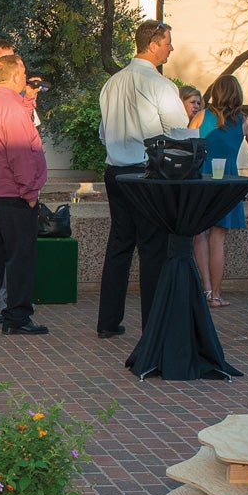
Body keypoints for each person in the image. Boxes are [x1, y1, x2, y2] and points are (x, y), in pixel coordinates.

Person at [96, 21, 190, 339]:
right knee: (153, 247)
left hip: (115, 171)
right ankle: (153, 323)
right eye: (167, 42)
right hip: (147, 172)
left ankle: (108, 320)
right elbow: (179, 132)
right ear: (152, 45)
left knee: (120, 244)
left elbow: (102, 133)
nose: (171, 48)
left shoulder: (112, 84)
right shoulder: (160, 85)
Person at [0, 54, 50, 336]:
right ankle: (16, 317)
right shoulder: (12, 110)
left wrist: (28, 99)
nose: (26, 76)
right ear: (15, 75)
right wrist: (30, 192)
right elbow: (20, 154)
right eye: (24, 71)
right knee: (20, 255)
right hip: (14, 193)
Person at [193, 75, 248, 306]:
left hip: (202, 178)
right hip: (227, 180)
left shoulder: (200, 116)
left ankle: (206, 290)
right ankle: (216, 294)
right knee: (218, 239)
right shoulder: (244, 122)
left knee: (199, 235)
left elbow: (188, 145)